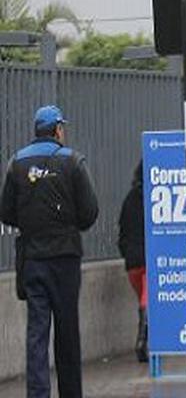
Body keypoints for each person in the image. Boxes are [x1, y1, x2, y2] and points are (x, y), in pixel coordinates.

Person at [0, 105, 99, 398]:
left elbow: (6, 213)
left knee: (37, 332)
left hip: (32, 259)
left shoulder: (16, 163)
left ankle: (38, 393)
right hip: (66, 258)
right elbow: (90, 212)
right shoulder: (73, 161)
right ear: (57, 129)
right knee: (67, 330)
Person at [117, 161, 148, 363]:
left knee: (143, 300)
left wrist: (127, 253)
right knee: (148, 301)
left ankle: (144, 338)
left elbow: (122, 232)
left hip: (132, 262)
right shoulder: (155, 197)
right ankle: (143, 340)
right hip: (150, 258)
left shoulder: (129, 198)